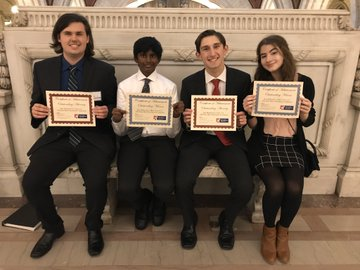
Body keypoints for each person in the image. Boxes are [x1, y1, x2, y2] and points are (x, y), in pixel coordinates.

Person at [22, 13, 117, 258]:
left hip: (94, 137)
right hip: (59, 137)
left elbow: (112, 108)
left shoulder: (105, 71)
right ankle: (53, 227)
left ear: (87, 39)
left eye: (79, 34)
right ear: (59, 37)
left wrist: (106, 111)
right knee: (32, 181)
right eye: (68, 33)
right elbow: (37, 104)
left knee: (96, 182)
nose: (73, 38)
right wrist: (36, 110)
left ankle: (94, 227)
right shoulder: (42, 68)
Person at [175, 29, 253, 250]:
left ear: (225, 49)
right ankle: (189, 222)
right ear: (198, 54)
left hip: (229, 140)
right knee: (181, 183)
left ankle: (226, 222)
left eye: (216, 46)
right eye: (205, 49)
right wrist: (187, 120)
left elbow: (247, 113)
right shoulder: (189, 82)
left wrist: (243, 119)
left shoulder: (242, 79)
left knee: (244, 187)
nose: (212, 53)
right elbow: (183, 121)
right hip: (198, 139)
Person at [243, 35, 316, 264]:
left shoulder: (304, 82)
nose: (268, 58)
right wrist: (250, 113)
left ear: (284, 53)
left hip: (291, 145)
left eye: (273, 52)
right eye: (263, 55)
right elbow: (253, 126)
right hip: (263, 144)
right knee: (275, 187)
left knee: (294, 188)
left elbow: (308, 120)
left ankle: (283, 232)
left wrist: (305, 110)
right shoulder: (257, 84)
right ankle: (268, 231)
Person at [112, 36, 184, 230]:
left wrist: (176, 116)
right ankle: (142, 204)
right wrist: (117, 120)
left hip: (161, 140)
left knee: (166, 187)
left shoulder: (169, 87)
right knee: (126, 188)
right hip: (133, 140)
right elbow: (120, 131)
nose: (148, 61)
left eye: (153, 56)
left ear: (158, 59)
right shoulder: (125, 87)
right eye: (143, 55)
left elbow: (172, 133)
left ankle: (159, 203)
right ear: (136, 58)